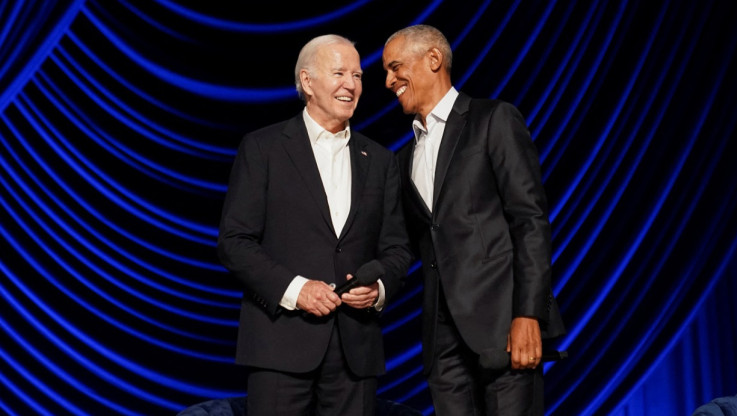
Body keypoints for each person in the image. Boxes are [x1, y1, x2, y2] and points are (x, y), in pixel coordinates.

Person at [218, 34, 412, 416]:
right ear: (307, 82)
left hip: (355, 352)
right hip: (280, 344)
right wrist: (296, 289)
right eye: (339, 72)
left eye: (357, 75)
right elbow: (235, 242)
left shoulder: (380, 160)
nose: (351, 84)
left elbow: (397, 248)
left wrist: (378, 288)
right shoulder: (264, 148)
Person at [382, 25, 566, 415]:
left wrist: (528, 314)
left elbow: (530, 220)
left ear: (433, 59)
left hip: (504, 330)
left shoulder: (492, 120)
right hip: (443, 347)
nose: (388, 81)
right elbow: (403, 244)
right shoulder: (402, 160)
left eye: (396, 67)